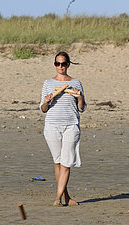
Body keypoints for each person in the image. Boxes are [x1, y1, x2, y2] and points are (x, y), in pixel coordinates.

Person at [40, 51, 86, 206]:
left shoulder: (76, 83)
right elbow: (43, 108)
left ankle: (57, 198)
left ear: (68, 64)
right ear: (55, 65)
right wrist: (47, 101)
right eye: (57, 64)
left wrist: (79, 97)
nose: (61, 67)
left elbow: (82, 108)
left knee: (66, 162)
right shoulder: (48, 83)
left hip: (71, 125)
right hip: (52, 126)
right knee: (58, 162)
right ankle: (66, 197)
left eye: (63, 63)